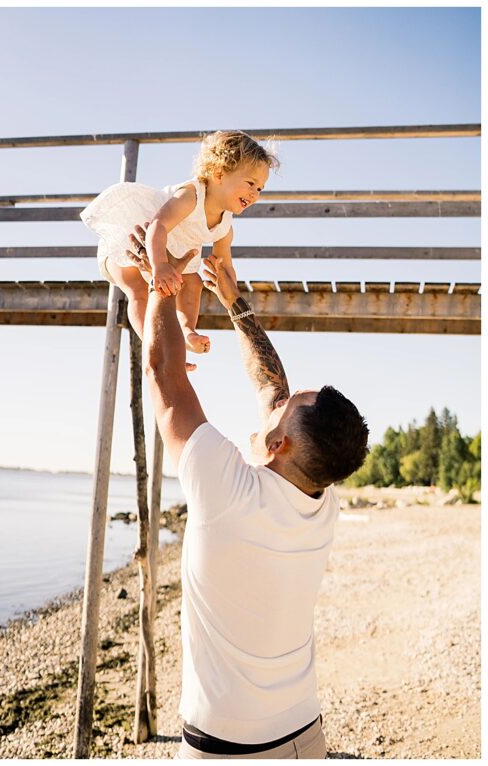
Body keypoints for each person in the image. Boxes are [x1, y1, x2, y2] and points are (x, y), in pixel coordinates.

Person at [124, 227, 369, 758]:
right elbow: (273, 388)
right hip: (303, 734)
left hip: (226, 747)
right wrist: (235, 303)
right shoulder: (321, 496)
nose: (276, 401)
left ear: (279, 441)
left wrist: (159, 279)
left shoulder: (225, 489)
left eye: (283, 409)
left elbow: (163, 374)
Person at [81, 130, 278, 370]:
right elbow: (157, 226)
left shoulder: (225, 226)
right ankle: (155, 346)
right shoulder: (190, 196)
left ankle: (186, 331)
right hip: (138, 240)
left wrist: (229, 292)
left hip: (176, 255)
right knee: (139, 291)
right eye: (250, 184)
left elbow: (224, 266)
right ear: (219, 174)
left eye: (260, 189)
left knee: (193, 282)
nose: (254, 195)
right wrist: (160, 265)